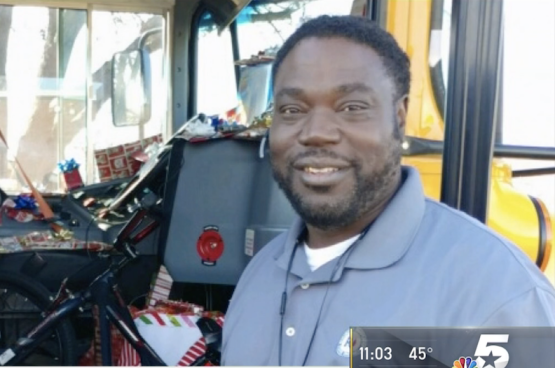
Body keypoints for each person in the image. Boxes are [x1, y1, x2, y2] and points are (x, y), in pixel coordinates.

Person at [221, 14, 555, 366]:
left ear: (399, 117)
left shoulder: (496, 294)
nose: (316, 131)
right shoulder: (258, 277)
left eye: (352, 108)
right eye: (291, 109)